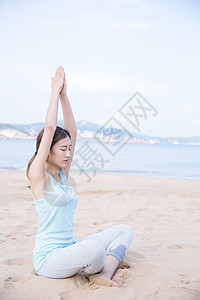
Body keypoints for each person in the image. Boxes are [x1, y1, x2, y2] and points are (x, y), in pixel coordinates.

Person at [26, 65, 133, 287]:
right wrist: (54, 91)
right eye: (62, 149)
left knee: (124, 231)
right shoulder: (39, 177)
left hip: (70, 248)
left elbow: (72, 131)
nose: (67, 154)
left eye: (69, 149)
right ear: (48, 150)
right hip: (49, 259)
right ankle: (96, 264)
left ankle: (103, 273)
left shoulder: (63, 174)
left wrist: (65, 96)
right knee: (94, 249)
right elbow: (49, 128)